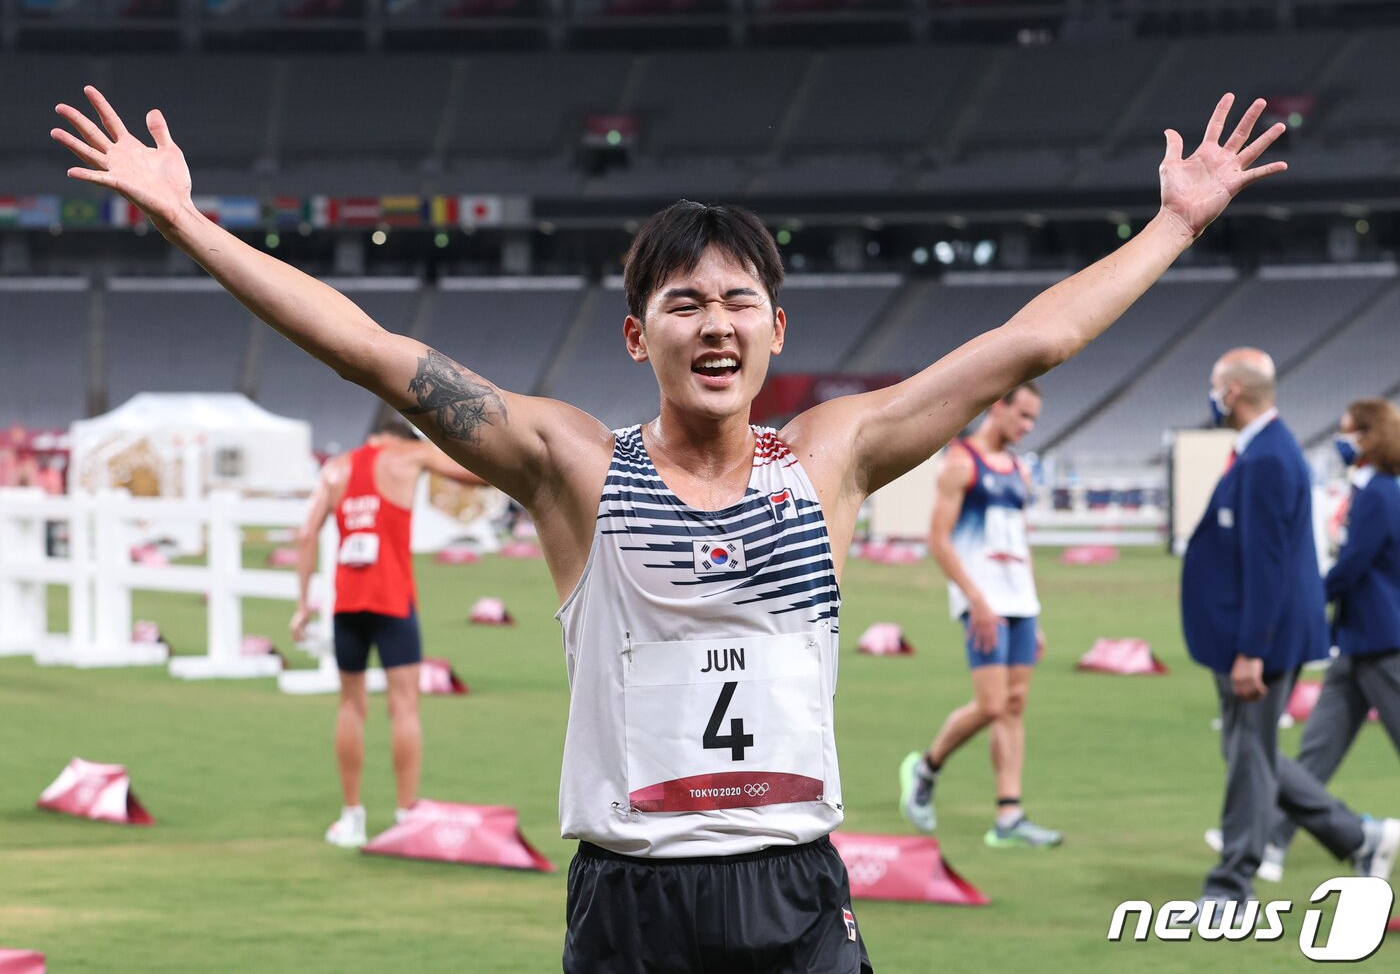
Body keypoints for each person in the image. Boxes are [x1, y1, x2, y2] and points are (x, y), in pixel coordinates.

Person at [54, 84, 1287, 973]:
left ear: (774, 332)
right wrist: (190, 223)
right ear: (637, 335)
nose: (715, 321)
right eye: (682, 300)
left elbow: (1031, 341)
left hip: (796, 889)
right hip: (630, 904)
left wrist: (1176, 224)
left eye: (738, 300)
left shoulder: (832, 456)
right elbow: (372, 353)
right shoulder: (572, 468)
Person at [1181, 351, 1399, 917]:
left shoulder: (1269, 458)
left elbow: (1267, 562)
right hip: (1272, 633)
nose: (1210, 397)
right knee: (1251, 749)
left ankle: (1233, 881)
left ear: (1232, 392)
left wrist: (1251, 648)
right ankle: (1357, 838)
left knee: (1250, 753)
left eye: (1213, 386)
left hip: (1267, 639)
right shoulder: (1264, 451)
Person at [290, 419, 482, 847]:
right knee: (404, 706)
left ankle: (352, 816)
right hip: (393, 600)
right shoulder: (410, 455)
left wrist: (303, 605)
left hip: (347, 604)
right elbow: (478, 471)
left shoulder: (336, 468)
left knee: (351, 706)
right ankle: (405, 814)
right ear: (401, 436)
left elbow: (305, 535)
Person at [1233, 398, 1400, 881]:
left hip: (1385, 644)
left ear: (1369, 437)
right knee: (1316, 751)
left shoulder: (1381, 494)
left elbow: (1352, 568)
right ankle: (1273, 841)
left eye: (1348, 430)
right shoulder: (1370, 490)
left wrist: (1309, 600)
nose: (1341, 438)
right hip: (1357, 641)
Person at [898, 382, 1062, 848]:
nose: (1027, 427)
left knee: (1013, 707)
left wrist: (1037, 612)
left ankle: (1009, 816)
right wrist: (976, 599)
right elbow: (939, 539)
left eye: (1033, 419)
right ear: (998, 405)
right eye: (1022, 415)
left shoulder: (1018, 471)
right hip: (983, 604)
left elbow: (1019, 545)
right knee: (991, 704)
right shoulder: (962, 462)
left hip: (1021, 604)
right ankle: (925, 769)